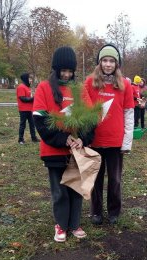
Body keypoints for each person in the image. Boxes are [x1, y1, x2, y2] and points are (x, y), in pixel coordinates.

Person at [33, 46, 93, 242]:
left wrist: (82, 138)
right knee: (59, 190)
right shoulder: (44, 88)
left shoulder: (80, 90)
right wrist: (62, 139)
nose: (67, 75)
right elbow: (39, 120)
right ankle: (61, 224)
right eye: (63, 71)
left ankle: (74, 224)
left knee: (75, 188)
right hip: (53, 150)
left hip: (76, 150)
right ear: (55, 69)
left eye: (70, 71)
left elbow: (90, 118)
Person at [83, 43, 134, 225]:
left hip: (115, 141)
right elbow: (83, 111)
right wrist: (84, 138)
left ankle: (114, 211)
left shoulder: (125, 85)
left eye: (112, 61)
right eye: (104, 60)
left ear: (117, 64)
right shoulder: (90, 83)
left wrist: (126, 142)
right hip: (95, 141)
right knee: (96, 179)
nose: (108, 64)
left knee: (115, 179)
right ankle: (96, 211)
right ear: (99, 63)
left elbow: (129, 113)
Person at [16, 73, 39, 144]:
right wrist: (33, 99)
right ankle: (20, 139)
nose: (31, 80)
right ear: (26, 78)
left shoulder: (27, 87)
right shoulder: (21, 87)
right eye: (29, 78)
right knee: (23, 124)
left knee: (32, 124)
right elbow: (22, 98)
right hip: (23, 110)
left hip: (30, 109)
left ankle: (34, 138)